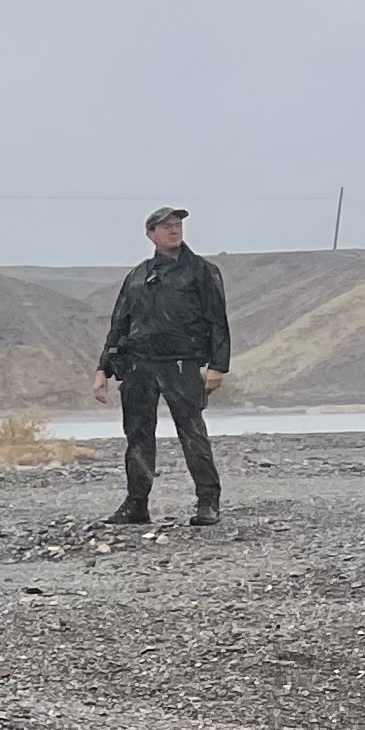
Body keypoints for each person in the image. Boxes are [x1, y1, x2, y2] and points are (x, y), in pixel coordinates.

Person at [96, 206, 229, 527]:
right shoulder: (138, 276)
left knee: (192, 431)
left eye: (177, 225)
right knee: (138, 434)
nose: (174, 230)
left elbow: (217, 320)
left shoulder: (201, 271)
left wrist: (217, 365)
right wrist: (103, 369)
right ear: (150, 234)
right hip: (138, 365)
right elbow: (120, 323)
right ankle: (136, 503)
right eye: (166, 226)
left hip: (182, 363)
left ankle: (207, 502)